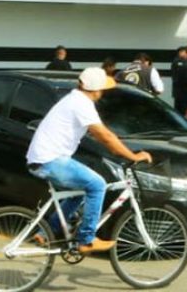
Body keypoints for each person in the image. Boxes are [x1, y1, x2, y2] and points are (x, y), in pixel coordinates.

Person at [26, 67, 152, 254]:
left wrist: (115, 143)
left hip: (42, 159)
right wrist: (132, 156)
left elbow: (101, 133)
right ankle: (87, 239)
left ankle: (46, 233)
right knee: (97, 185)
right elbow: (105, 136)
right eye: (102, 89)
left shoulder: (72, 99)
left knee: (78, 192)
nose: (102, 93)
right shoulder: (82, 104)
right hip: (51, 160)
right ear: (95, 89)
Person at [171, 46, 187, 114]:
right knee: (181, 108)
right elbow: (182, 75)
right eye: (185, 52)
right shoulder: (179, 61)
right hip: (181, 88)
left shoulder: (184, 61)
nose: (186, 54)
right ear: (180, 52)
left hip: (180, 89)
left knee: (180, 106)